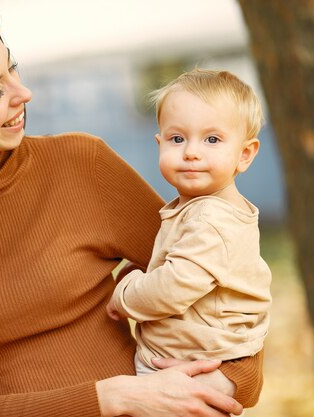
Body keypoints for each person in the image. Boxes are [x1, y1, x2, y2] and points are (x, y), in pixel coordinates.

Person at [0, 6, 263, 417]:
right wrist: (112, 398)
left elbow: (224, 289)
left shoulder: (82, 165)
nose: (22, 93)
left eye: (14, 68)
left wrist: (225, 383)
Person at [106, 69, 272, 382]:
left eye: (212, 139)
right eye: (177, 138)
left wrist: (124, 295)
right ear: (159, 144)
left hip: (190, 364)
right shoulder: (203, 209)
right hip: (189, 355)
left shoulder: (212, 219)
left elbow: (172, 288)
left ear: (245, 154)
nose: (191, 152)